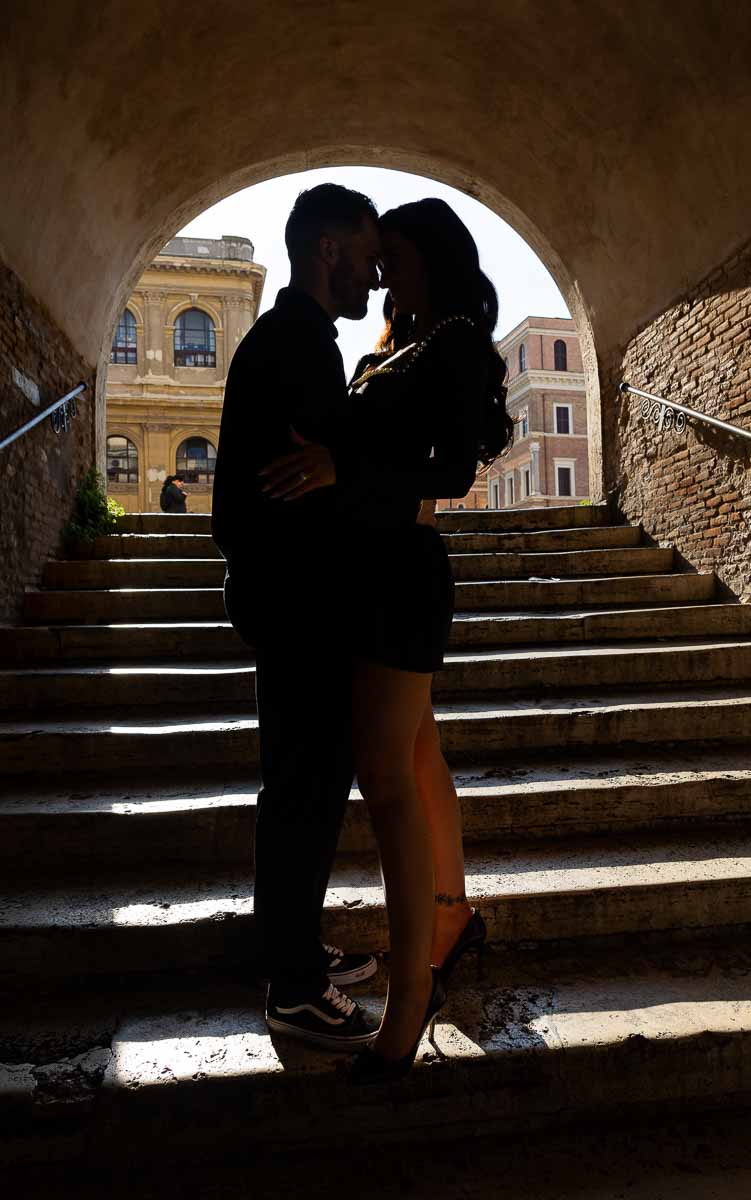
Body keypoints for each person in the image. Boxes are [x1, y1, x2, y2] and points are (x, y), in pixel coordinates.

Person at [260, 198, 512, 1082]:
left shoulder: (450, 340)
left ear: (427, 261)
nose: (380, 273)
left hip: (400, 576)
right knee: (420, 760)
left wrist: (342, 467)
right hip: (364, 574)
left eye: (393, 257)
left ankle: (410, 1005)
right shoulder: (395, 342)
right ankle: (451, 916)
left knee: (388, 782)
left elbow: (450, 469)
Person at [212, 184, 383, 1050]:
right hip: (301, 606)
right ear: (326, 249)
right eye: (366, 253)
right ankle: (295, 988)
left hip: (288, 599)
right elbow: (315, 483)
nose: (376, 274)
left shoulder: (291, 340)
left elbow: (313, 470)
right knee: (306, 793)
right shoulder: (296, 345)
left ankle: (293, 948)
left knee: (303, 787)